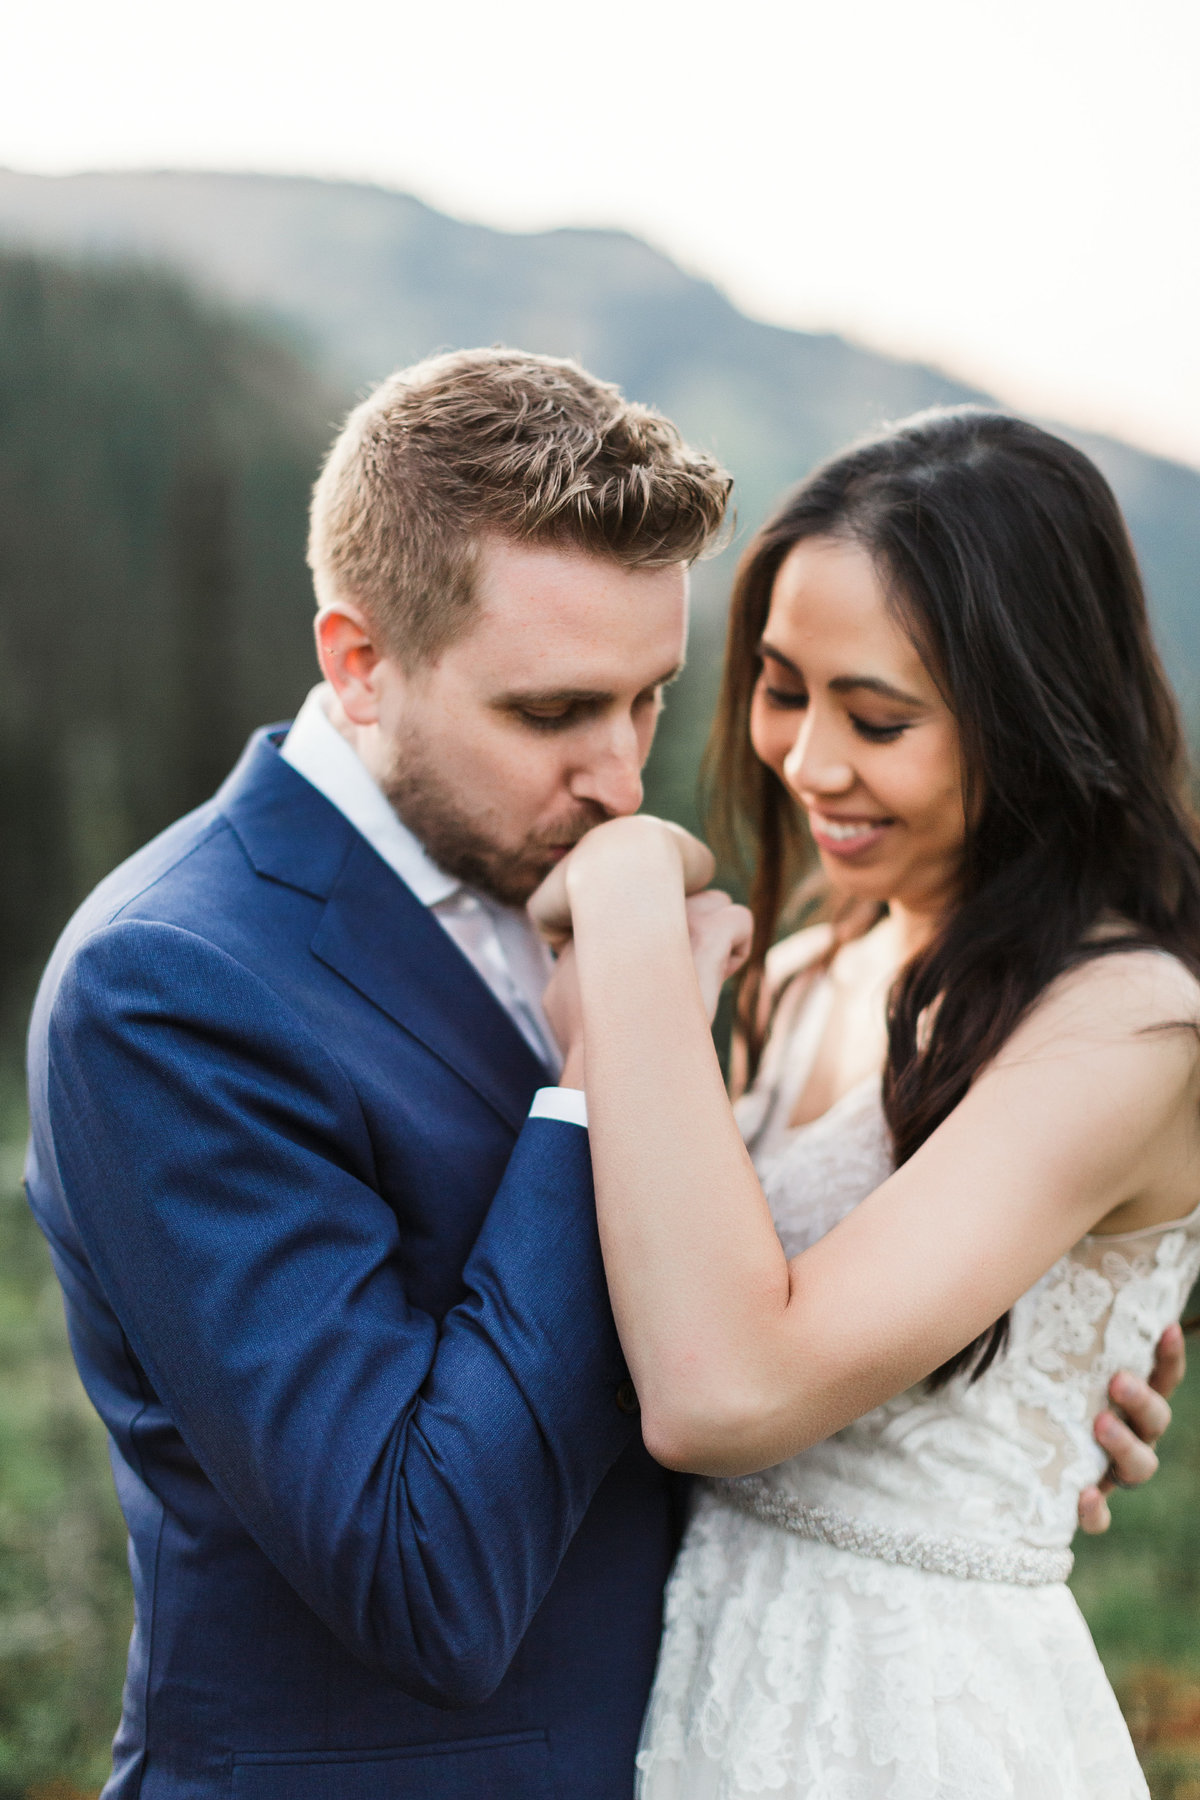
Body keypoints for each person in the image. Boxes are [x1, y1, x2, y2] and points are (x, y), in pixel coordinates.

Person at [24, 363, 1170, 1800]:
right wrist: (593, 1090)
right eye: (556, 711)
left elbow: (728, 1301)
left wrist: (980, 1406)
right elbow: (421, 1575)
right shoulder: (176, 986)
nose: (623, 780)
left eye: (652, 701)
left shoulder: (572, 866)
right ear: (359, 660)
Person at [534, 408, 1198, 1798]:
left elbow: (725, 1388)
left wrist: (625, 907)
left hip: (918, 1721)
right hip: (704, 1673)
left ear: (1032, 715)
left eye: (879, 718)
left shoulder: (1130, 1029)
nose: (811, 763)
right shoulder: (798, 971)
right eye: (782, 688)